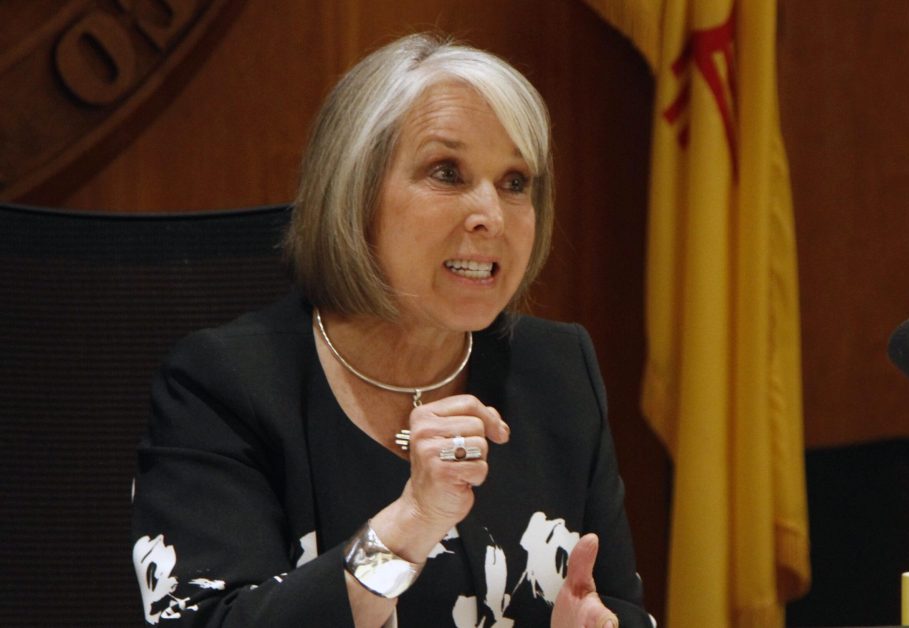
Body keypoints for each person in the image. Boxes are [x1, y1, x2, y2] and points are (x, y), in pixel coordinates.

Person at [131, 33, 652, 627]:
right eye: (447, 172)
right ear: (355, 193)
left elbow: (617, 603)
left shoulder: (557, 370)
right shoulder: (222, 387)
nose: (491, 216)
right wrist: (410, 523)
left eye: (515, 182)